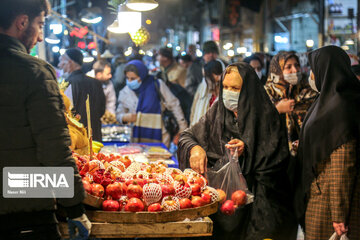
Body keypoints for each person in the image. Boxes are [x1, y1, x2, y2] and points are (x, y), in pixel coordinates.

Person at [0, 0, 91, 239]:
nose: (40, 37)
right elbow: (54, 149)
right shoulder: (35, 73)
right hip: (24, 215)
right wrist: (74, 207)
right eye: (40, 25)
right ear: (22, 22)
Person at [178, 63, 297, 240]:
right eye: (225, 87)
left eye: (235, 88)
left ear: (248, 89)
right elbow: (187, 136)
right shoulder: (218, 112)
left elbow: (275, 162)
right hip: (223, 204)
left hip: (260, 206)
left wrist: (246, 148)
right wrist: (195, 148)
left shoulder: (265, 114)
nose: (228, 92)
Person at [295, 46, 360, 240]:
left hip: (330, 205)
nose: (311, 76)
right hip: (323, 194)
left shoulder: (340, 108)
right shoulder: (330, 100)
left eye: (314, 71)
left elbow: (342, 166)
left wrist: (339, 214)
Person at [116, 60, 187, 147]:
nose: (130, 81)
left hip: (160, 137)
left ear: (142, 76)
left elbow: (174, 105)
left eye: (133, 79)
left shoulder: (157, 85)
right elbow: (119, 114)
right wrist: (125, 117)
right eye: (127, 78)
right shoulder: (125, 91)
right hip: (136, 140)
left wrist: (182, 127)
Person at [264, 51, 317, 158]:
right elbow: (258, 121)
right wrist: (277, 110)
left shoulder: (307, 91)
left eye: (297, 65)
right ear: (278, 70)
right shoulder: (266, 93)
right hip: (275, 153)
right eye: (288, 67)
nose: (295, 70)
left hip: (304, 152)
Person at [58, 48, 106, 142]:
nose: (59, 65)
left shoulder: (67, 84)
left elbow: (67, 114)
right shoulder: (96, 83)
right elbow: (101, 110)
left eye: (62, 62)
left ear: (70, 62)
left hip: (78, 139)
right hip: (95, 136)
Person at [190, 60, 223, 126]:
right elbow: (194, 112)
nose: (205, 79)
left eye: (207, 76)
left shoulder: (225, 93)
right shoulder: (202, 89)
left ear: (216, 76)